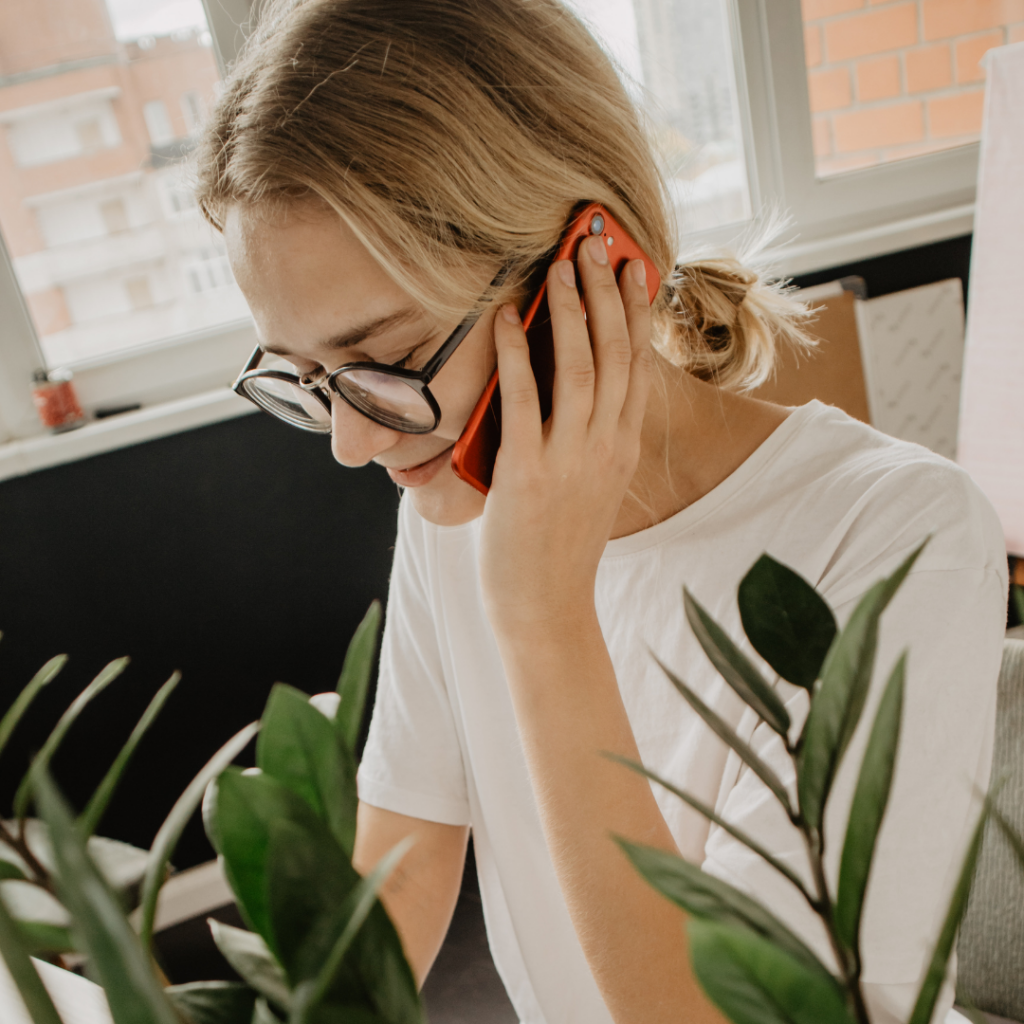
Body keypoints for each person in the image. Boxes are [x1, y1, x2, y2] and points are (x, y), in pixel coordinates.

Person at [194, 1, 1008, 1021]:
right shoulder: (452, 502)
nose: (353, 443)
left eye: (391, 362)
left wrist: (542, 613)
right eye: (306, 378)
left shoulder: (897, 534)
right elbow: (403, 857)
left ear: (591, 261)